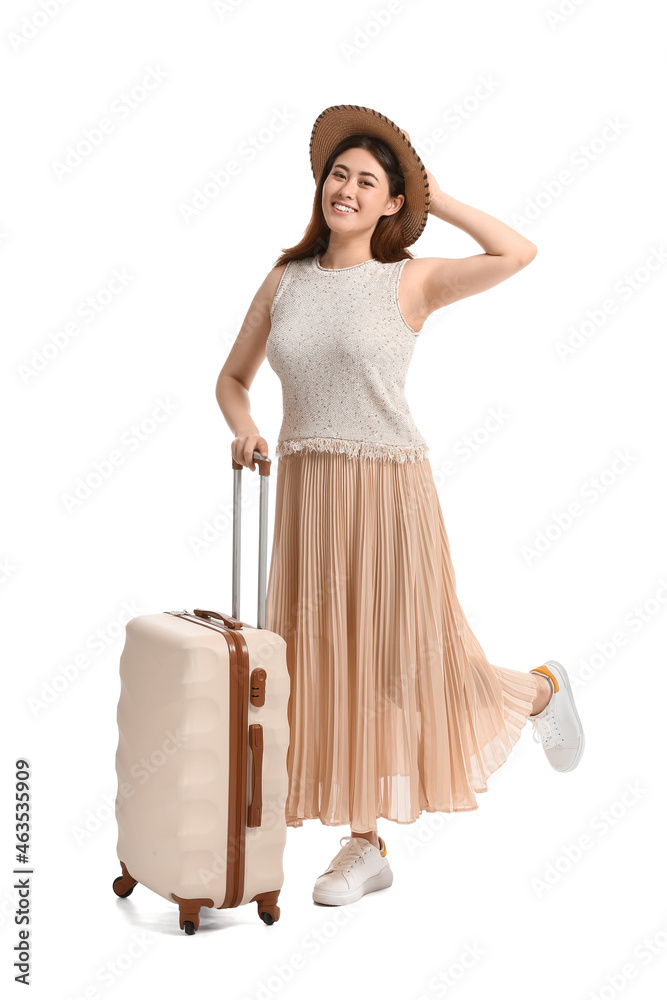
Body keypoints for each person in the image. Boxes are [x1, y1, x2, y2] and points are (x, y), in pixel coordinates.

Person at [215, 104, 585, 907]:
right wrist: (245, 431)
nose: (344, 188)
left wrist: (435, 194)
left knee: (410, 663)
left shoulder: (410, 278)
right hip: (308, 494)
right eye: (337, 174)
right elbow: (232, 380)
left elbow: (516, 251)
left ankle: (538, 691)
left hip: (388, 490)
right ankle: (364, 844)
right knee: (319, 666)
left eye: (366, 181)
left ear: (390, 203)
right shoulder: (284, 281)